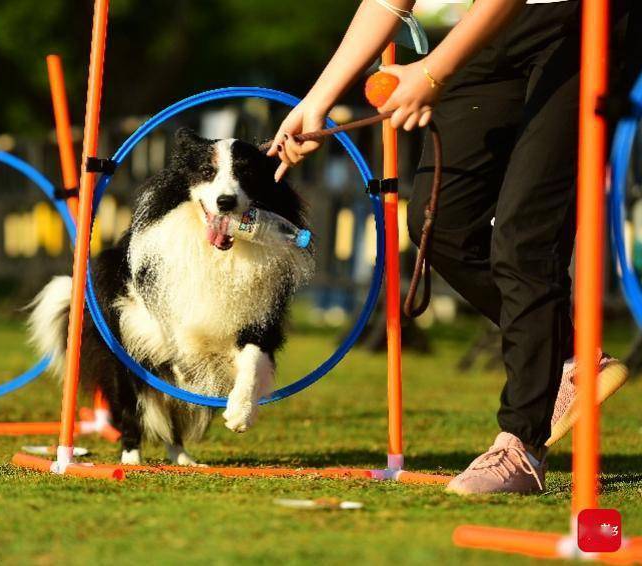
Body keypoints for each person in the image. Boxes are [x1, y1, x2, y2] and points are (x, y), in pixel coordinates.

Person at [269, 0, 637, 495]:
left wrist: (434, 72)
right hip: (499, 27)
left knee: (523, 236)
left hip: (589, 20)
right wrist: (318, 99)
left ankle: (522, 447)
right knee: (439, 225)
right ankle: (569, 355)